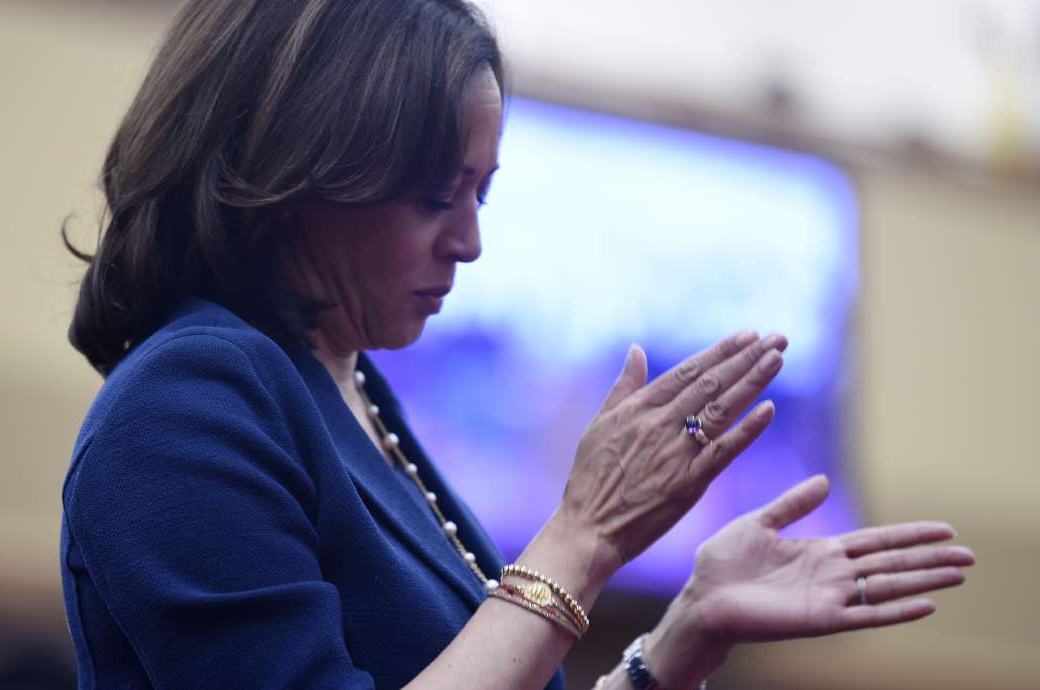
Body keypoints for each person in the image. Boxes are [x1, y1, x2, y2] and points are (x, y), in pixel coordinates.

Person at [59, 1, 974, 688]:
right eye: (433, 197)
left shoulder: (351, 390)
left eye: (480, 197)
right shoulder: (187, 404)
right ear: (294, 170)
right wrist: (582, 536)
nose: (469, 242)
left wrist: (676, 639)